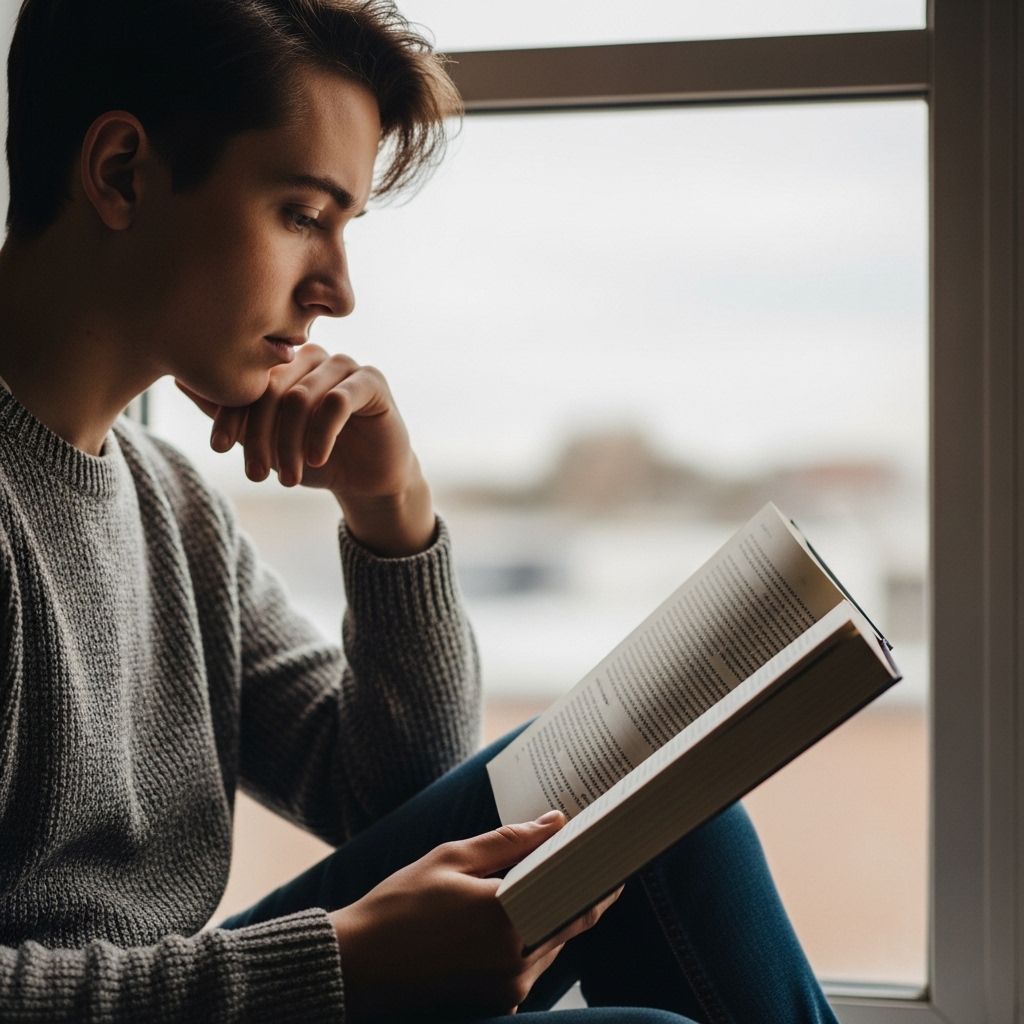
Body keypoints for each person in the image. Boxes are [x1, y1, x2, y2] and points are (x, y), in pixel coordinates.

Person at [0, 1, 841, 1020]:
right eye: (302, 213)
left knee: (653, 814)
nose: (338, 290)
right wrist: (328, 971)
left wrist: (388, 508)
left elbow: (396, 797)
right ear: (122, 172)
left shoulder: (172, 507)